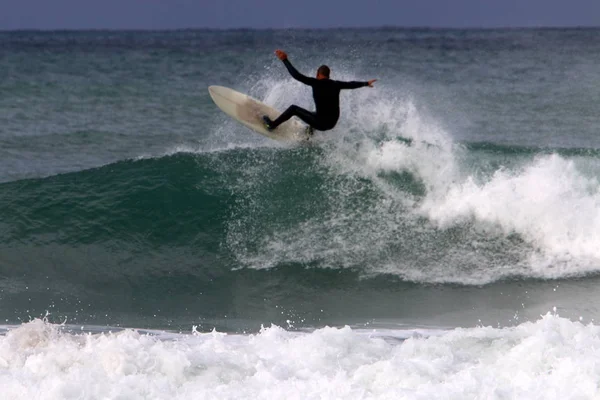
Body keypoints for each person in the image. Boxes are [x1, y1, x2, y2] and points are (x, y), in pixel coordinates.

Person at [263, 50, 376, 133]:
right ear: (328, 75)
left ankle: (272, 125)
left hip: (321, 123)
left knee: (293, 109)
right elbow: (351, 84)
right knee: (315, 113)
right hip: (332, 123)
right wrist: (366, 83)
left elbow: (296, 75)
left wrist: (285, 60)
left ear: (318, 74)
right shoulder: (336, 84)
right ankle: (309, 135)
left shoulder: (315, 82)